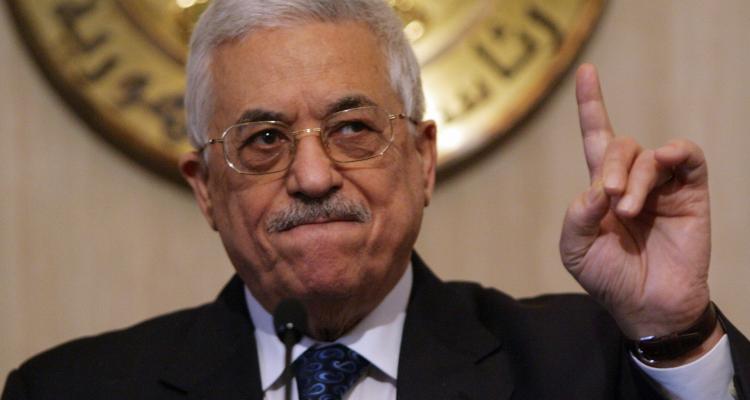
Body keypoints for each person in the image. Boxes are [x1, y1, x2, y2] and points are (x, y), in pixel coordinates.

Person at [3, 0, 748, 399]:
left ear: (422, 161)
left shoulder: (590, 364)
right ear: (205, 189)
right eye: (264, 139)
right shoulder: (68, 391)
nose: (313, 176)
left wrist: (675, 333)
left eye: (353, 129)